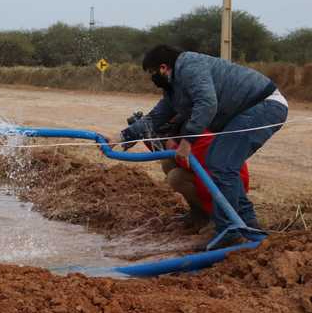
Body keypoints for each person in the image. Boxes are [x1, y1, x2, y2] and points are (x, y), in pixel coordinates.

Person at [109, 45, 288, 246]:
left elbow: (207, 103)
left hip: (264, 106)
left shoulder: (189, 66)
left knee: (220, 164)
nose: (152, 79)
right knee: (221, 163)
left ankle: (228, 231)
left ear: (163, 67)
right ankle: (248, 226)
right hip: (247, 111)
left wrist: (187, 140)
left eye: (152, 73)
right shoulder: (175, 89)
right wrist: (121, 137)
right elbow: (155, 117)